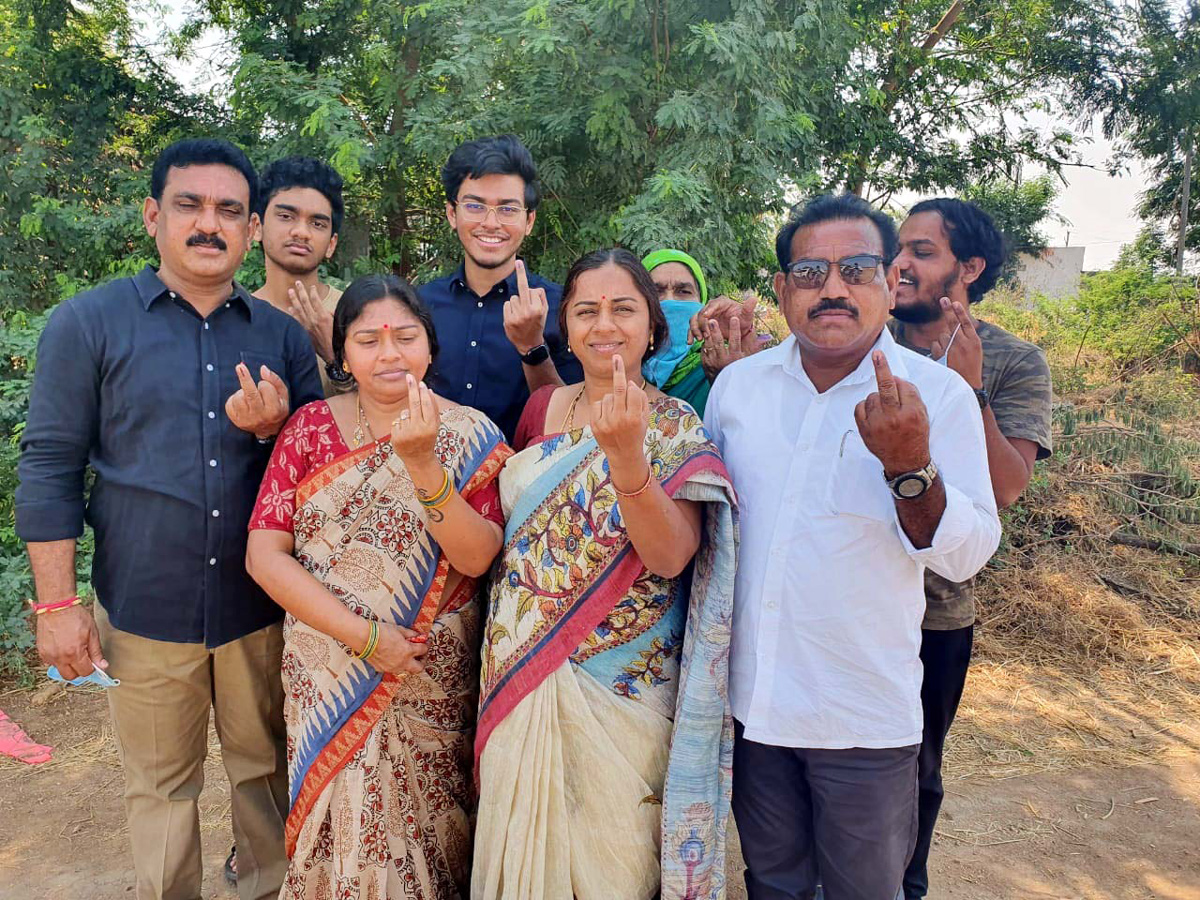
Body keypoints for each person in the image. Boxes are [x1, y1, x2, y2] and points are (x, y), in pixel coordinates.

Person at [16, 138, 324, 900]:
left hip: (260, 607)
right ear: (154, 215)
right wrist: (56, 606)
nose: (208, 224)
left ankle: (269, 889)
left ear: (252, 230)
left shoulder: (281, 338)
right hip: (145, 608)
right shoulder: (87, 324)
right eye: (189, 205)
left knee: (264, 771)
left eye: (228, 211)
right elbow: (50, 465)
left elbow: (319, 476)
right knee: (160, 788)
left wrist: (274, 430)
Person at [704, 194, 1002, 900]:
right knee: (771, 884)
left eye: (856, 268)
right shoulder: (738, 391)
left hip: (863, 721)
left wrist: (910, 468)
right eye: (809, 272)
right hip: (755, 710)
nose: (832, 288)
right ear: (781, 290)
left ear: (888, 281)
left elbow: (966, 555)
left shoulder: (938, 398)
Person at [471, 249, 737, 900]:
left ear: (653, 327)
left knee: (612, 864)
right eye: (586, 310)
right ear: (564, 326)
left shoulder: (675, 424)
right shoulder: (541, 415)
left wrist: (627, 460)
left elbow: (672, 557)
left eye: (624, 309)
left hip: (623, 688)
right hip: (523, 677)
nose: (604, 325)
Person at [246, 274, 512, 899]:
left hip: (430, 673)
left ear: (429, 348)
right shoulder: (309, 429)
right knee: (341, 829)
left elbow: (477, 557)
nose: (388, 353)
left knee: (430, 833)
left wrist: (424, 466)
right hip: (332, 666)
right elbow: (264, 555)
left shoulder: (475, 433)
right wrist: (366, 638)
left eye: (405, 336)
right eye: (368, 339)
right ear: (342, 354)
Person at [890, 198, 1053, 900]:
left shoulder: (1015, 361)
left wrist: (969, 387)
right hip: (847, 596)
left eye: (922, 251)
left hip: (935, 611)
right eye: (899, 248)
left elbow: (1009, 487)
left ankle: (905, 884)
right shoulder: (860, 341)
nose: (900, 263)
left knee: (917, 767)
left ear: (970, 268)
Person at [418, 134, 581, 441]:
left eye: (507, 209)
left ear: (529, 220)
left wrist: (532, 347)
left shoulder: (563, 309)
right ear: (452, 214)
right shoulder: (418, 307)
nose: (491, 223)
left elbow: (574, 424)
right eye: (475, 206)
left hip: (528, 481)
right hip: (431, 481)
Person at [252, 155, 351, 397]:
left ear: (331, 244)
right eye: (286, 217)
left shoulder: (356, 314)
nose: (301, 232)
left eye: (317, 224)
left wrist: (333, 354)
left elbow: (385, 411)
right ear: (256, 227)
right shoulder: (235, 316)